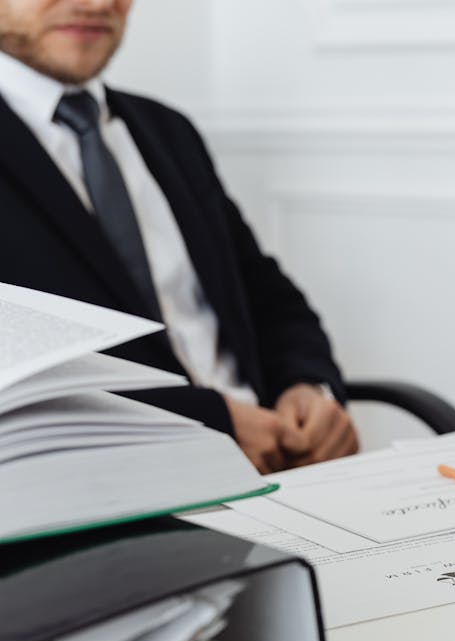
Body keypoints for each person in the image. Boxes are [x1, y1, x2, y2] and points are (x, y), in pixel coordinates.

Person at [0, 0, 358, 473]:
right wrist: (213, 422)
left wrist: (309, 387)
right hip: (107, 492)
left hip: (279, 466)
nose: (97, 4)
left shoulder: (167, 131)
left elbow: (266, 297)